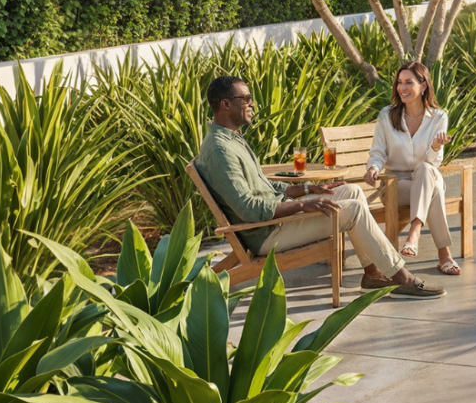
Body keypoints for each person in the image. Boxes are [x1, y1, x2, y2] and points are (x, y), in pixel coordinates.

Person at [193, 74, 441, 298]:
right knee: (353, 209)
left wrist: (311, 189)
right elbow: (248, 208)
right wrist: (304, 204)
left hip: (277, 220)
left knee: (351, 191)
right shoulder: (220, 150)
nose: (252, 104)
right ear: (225, 104)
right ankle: (401, 277)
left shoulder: (232, 139)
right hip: (267, 233)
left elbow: (264, 186)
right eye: (245, 98)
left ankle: (373, 273)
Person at [376, 61, 460, 276]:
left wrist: (435, 147)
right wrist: (372, 168)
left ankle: (414, 232)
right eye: (399, 82)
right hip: (395, 185)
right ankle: (444, 256)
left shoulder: (438, 117)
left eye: (408, 83)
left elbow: (433, 163)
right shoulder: (387, 115)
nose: (402, 87)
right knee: (433, 190)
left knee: (425, 170)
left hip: (427, 175)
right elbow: (377, 152)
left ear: (423, 86)